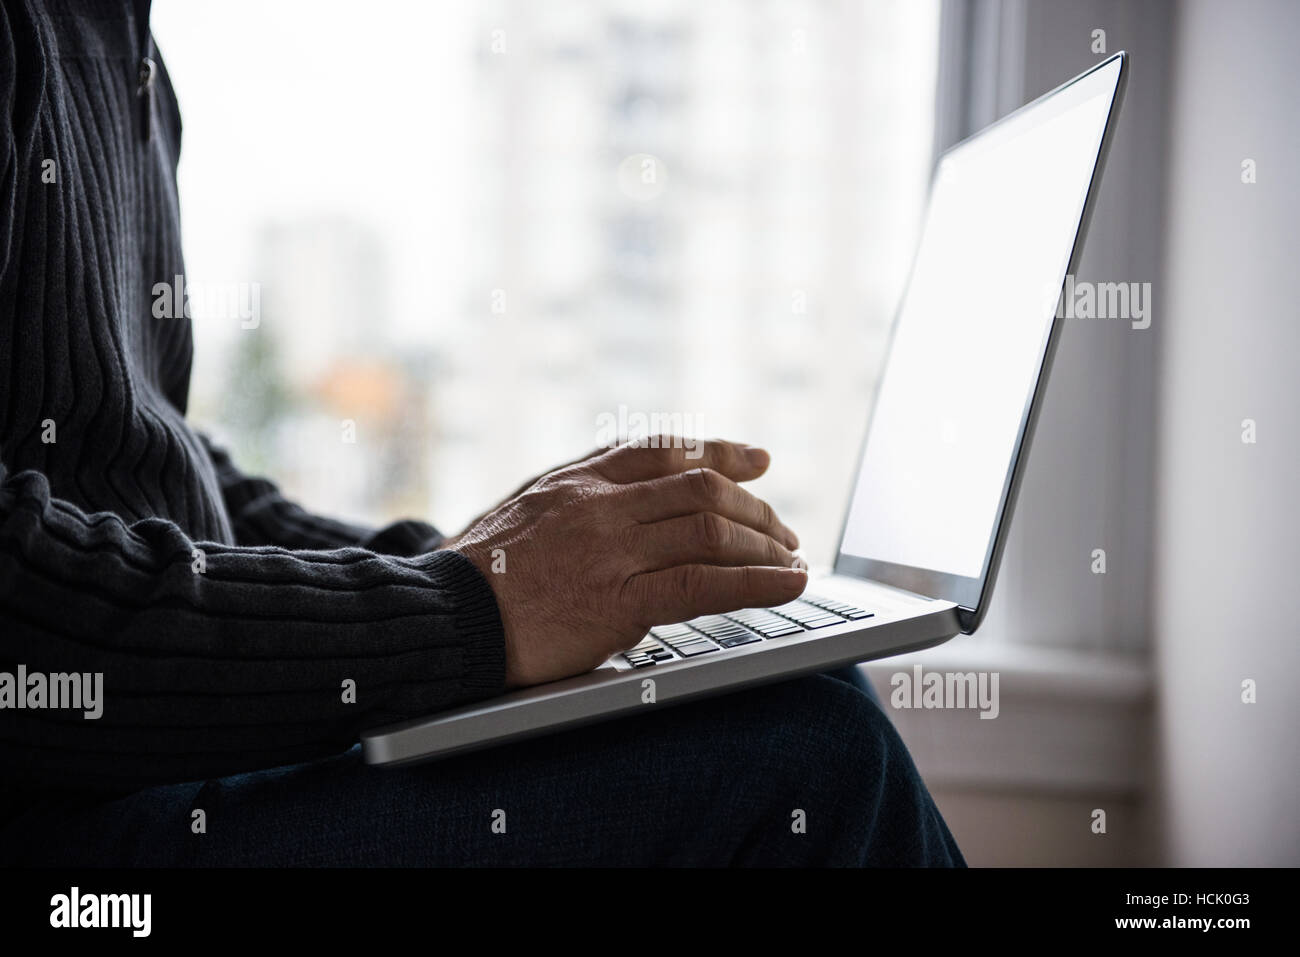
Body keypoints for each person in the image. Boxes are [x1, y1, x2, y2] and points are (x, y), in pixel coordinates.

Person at [0, 0, 964, 866]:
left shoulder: (123, 40)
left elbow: (157, 470)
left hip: (148, 763)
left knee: (817, 672)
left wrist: (484, 573)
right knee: (818, 761)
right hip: (71, 823)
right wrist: (461, 610)